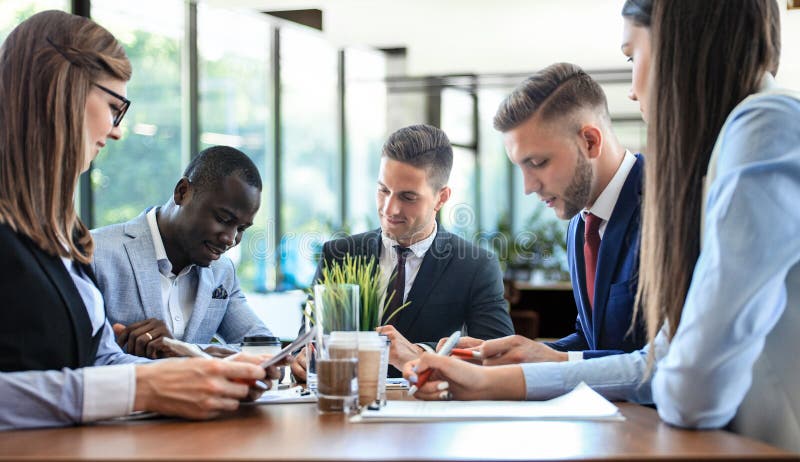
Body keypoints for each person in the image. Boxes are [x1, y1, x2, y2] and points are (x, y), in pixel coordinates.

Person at [403, 0, 799, 452]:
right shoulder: (587, 222)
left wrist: (526, 376)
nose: (632, 89)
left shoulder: (760, 131)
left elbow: (683, 380)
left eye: (633, 57)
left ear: (676, 47)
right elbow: (660, 358)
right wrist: (534, 355)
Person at [0, 10, 280, 430]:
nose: (116, 130)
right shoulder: (82, 249)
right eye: (114, 106)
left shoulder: (61, 240)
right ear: (59, 90)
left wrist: (197, 369)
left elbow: (100, 360)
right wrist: (142, 388)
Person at [450, 62, 646, 365]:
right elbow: (591, 340)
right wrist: (517, 354)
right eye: (521, 167)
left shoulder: (663, 210)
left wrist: (549, 361)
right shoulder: (581, 224)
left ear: (590, 142)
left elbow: (666, 359)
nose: (528, 187)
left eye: (538, 163)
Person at [292, 124, 514, 379]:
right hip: (347, 407)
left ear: (441, 198)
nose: (389, 208)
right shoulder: (339, 254)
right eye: (383, 190)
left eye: (408, 197)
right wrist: (303, 357)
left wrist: (419, 353)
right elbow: (308, 340)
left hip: (428, 410)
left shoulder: (475, 266)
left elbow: (498, 356)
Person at [91, 145, 273, 359]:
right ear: (182, 192)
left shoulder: (222, 272)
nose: (230, 239)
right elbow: (86, 360)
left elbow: (266, 351)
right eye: (223, 219)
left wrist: (188, 352)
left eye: (241, 229)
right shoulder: (95, 254)